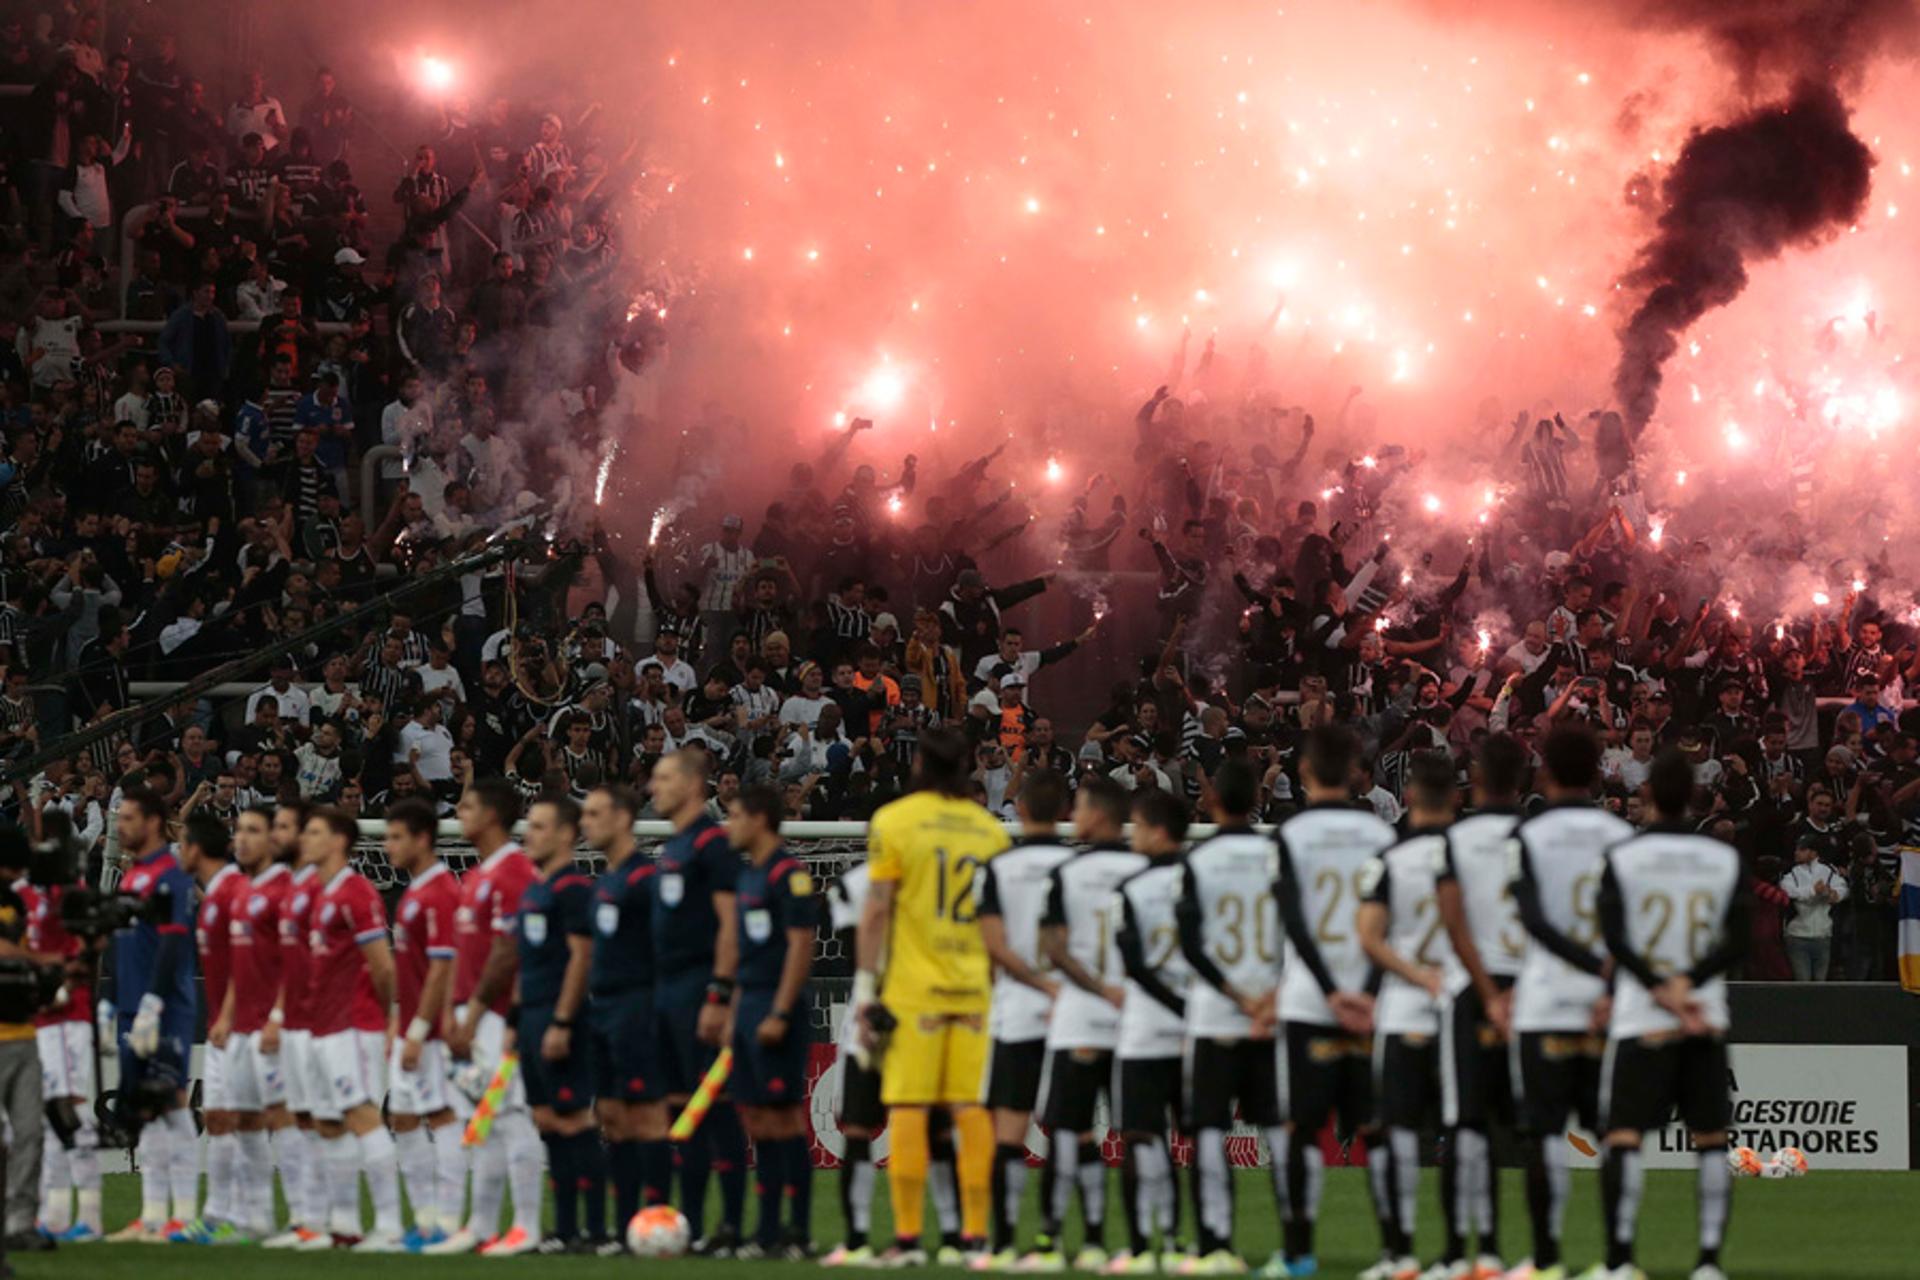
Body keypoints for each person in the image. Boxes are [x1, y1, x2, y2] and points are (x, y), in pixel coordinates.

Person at [853, 725, 1007, 1265]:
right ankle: (974, 1238)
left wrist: (867, 988)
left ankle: (911, 1239)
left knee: (911, 1108)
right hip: (972, 989)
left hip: (913, 991)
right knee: (969, 1109)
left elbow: (876, 909)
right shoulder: (990, 831)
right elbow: (996, 920)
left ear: (919, 764)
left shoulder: (894, 822)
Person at [1595, 749, 1747, 1280]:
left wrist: (1660, 986)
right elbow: (1739, 939)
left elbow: (1613, 936)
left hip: (1643, 1016)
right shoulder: (1723, 858)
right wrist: (1688, 984)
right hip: (1703, 1013)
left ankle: (1620, 1260)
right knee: (1710, 1141)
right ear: (1694, 796)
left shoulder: (1623, 856)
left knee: (1624, 1137)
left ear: (1648, 795)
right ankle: (1707, 1261)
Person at [1273, 725, 1398, 1277]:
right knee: (1373, 1127)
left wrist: (1328, 991)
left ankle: (1298, 1254)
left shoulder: (1290, 834)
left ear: (1303, 771)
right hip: (1372, 1005)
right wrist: (1365, 993)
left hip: (1308, 1001)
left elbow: (1294, 922)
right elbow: (1390, 926)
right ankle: (1396, 1253)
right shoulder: (1380, 837)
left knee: (1302, 1127)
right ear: (1353, 772)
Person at [1508, 726, 1633, 1280]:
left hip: (1544, 1003)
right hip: (1606, 1007)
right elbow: (1634, 922)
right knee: (1612, 1135)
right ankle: (1618, 1262)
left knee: (1546, 1133)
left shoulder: (1529, 836)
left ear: (1547, 772)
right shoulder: (1620, 835)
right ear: (1598, 771)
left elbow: (1532, 918)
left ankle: (1546, 1259)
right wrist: (1610, 979)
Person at [1023, 776, 1145, 1271]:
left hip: (1079, 1020)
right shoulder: (1144, 870)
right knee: (1137, 1134)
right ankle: (1134, 1245)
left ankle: (1058, 1241)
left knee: (1070, 1133)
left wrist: (1093, 989)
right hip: (1136, 1021)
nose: (1075, 814)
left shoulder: (1066, 871)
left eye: (1082, 807)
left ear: (1098, 814)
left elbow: (1052, 949)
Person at [1175, 756, 1285, 1274]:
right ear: (1258, 801)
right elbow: (1302, 935)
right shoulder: (1277, 856)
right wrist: (1271, 998)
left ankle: (1216, 1245)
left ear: (1213, 800)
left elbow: (1189, 944)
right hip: (1268, 1012)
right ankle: (1294, 1247)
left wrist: (1233, 996)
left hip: (1216, 1015)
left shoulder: (1196, 861)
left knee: (1209, 1131)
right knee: (1278, 1130)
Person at [1355, 752, 1458, 1280]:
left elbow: (1369, 938)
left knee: (1396, 1131)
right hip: (1462, 1012)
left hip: (1403, 1010)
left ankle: (1398, 1255)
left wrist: (1412, 976)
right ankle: (1459, 1255)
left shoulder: (1390, 860)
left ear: (1411, 795)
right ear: (1456, 797)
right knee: (1463, 1133)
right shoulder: (1472, 857)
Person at [432, 779, 541, 1256]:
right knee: (485, 1121)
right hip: (469, 1012)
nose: (458, 810)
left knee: (512, 1115)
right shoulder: (475, 875)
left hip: (497, 1013)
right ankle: (480, 1227)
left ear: (493, 815)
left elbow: (507, 951)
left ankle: (528, 1227)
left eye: (468, 804)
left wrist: (474, 1012)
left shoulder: (514, 871)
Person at [1435, 734, 1530, 1278]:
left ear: (1476, 779)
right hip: (1527, 993)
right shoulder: (1535, 837)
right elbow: (1549, 920)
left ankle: (1455, 1253)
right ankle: (1507, 1251)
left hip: (1470, 992)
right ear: (1519, 781)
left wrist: (1488, 993)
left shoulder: (1455, 839)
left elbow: (1451, 920)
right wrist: (1516, 992)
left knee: (1464, 1124)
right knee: (1525, 1127)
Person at [646, 748, 748, 1254]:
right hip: (666, 992)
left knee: (715, 1109)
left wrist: (721, 993)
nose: (652, 788)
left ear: (690, 785)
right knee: (676, 1109)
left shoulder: (712, 845)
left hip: (699, 987)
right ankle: (685, 1224)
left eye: (662, 779)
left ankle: (729, 1226)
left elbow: (731, 922)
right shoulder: (675, 847)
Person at [972, 769, 1073, 1267]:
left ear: (1022, 809)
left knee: (1008, 1132)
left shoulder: (999, 868)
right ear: (1064, 813)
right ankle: (1055, 1241)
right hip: (1071, 1013)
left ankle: (1004, 1240)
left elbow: (992, 948)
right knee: (1069, 1129)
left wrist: (1023, 986)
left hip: (1016, 1015)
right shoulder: (1078, 866)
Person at [300, 807, 402, 1251]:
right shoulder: (319, 893)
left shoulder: (357, 892)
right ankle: (344, 1227)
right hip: (323, 1026)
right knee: (328, 1123)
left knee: (363, 1117)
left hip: (355, 1024)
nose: (306, 838)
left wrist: (387, 1017)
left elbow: (382, 966)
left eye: (315, 832)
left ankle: (391, 1225)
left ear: (339, 840)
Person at [724, 783, 818, 1260]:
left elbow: (802, 946)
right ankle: (765, 1232)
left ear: (759, 819)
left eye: (736, 815)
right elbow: (743, 952)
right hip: (747, 1007)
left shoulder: (789, 875)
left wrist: (781, 1010)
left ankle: (798, 1231)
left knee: (783, 1119)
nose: (730, 825)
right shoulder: (749, 877)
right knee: (757, 1119)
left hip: (777, 1006)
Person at [103, 788, 200, 1244]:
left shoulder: (171, 876)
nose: (120, 826)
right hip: (130, 1006)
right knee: (149, 1109)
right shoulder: (132, 877)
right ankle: (155, 1215)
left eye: (128, 818)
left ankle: (181, 1215)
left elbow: (173, 942)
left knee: (172, 1100)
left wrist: (153, 1003)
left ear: (154, 822)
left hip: (162, 1008)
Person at [514, 795, 603, 1254]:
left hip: (559, 1018)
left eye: (541, 826)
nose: (530, 834)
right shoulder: (535, 889)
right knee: (548, 1121)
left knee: (573, 1120)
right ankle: (564, 1228)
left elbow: (581, 958)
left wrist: (563, 1020)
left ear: (566, 835)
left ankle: (593, 1229)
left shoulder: (573, 889)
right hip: (531, 1017)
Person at [582, 783, 669, 1253]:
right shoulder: (605, 882)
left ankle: (654, 1220)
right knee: (611, 1117)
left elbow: (665, 949)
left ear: (620, 819)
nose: (586, 822)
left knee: (647, 1118)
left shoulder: (644, 881)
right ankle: (623, 1226)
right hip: (603, 1009)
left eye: (594, 813)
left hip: (638, 1007)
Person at [1109, 786, 1192, 1273]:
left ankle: (1141, 1245)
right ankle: (1187, 1240)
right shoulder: (1203, 883)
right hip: (1193, 1028)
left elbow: (1133, 963)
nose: (1132, 834)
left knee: (1141, 1136)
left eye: (1137, 825)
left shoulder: (1132, 890)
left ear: (1158, 831)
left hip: (1144, 1029)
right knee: (1194, 1137)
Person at [381, 798, 464, 1252]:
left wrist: (417, 1029)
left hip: (433, 1032)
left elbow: (442, 970)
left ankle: (448, 1222)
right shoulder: (414, 893)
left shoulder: (441, 893)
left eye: (396, 837)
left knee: (441, 1117)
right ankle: (426, 1219)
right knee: (405, 1117)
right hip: (413, 1025)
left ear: (422, 839)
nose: (388, 845)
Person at [173, 812, 249, 1242]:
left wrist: (227, 1015)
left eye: (183, 844)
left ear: (197, 849)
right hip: (228, 1025)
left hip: (240, 1028)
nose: (179, 851)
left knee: (237, 1119)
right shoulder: (220, 893)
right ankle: (221, 1215)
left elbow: (248, 961)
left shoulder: (234, 892)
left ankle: (234, 1217)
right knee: (220, 1118)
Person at [26, 825, 101, 1243]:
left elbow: (82, 957)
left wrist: (60, 991)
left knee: (70, 1112)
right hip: (43, 1022)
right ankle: (52, 1215)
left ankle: (89, 1216)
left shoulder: (69, 899)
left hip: (68, 1018)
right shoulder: (39, 901)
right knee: (45, 1115)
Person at [262, 800, 331, 1250]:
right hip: (291, 1022)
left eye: (283, 827)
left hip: (312, 1023)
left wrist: (279, 1013)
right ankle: (304, 1217)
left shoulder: (317, 890)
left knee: (316, 1120)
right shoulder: (291, 888)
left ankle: (324, 1218)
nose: (275, 833)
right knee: (287, 1119)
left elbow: (311, 967)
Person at [819, 852, 881, 1268]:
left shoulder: (850, 886)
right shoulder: (928, 877)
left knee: (857, 1127)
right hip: (921, 1011)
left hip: (869, 1012)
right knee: (936, 1124)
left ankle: (858, 1238)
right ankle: (956, 1237)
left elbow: (851, 953)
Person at [1779, 832, 1848, 981]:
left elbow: (1842, 888)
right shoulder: (1791, 872)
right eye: (1797, 849)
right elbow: (1789, 891)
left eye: (1802, 849)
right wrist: (1813, 891)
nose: (1796, 852)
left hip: (1823, 936)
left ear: (1813, 852)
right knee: (1803, 983)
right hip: (1797, 936)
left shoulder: (1828, 870)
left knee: (1820, 984)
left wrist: (1834, 894)